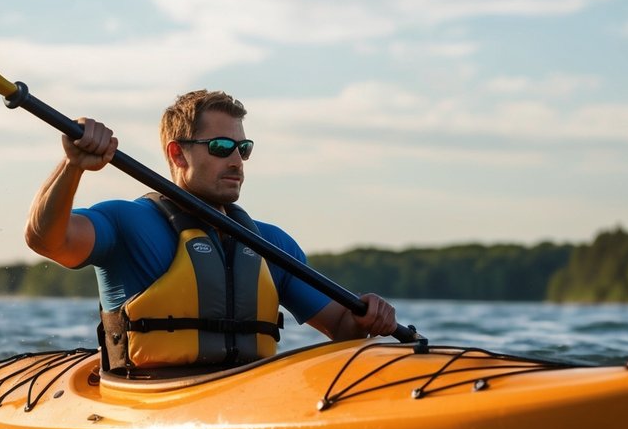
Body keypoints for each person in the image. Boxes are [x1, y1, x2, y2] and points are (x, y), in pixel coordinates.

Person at [25, 89, 397, 372]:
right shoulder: (128, 223)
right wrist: (71, 166)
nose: (236, 160)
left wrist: (369, 316)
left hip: (243, 393)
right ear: (177, 154)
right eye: (221, 147)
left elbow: (342, 328)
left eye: (243, 148)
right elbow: (45, 238)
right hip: (149, 399)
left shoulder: (271, 243)